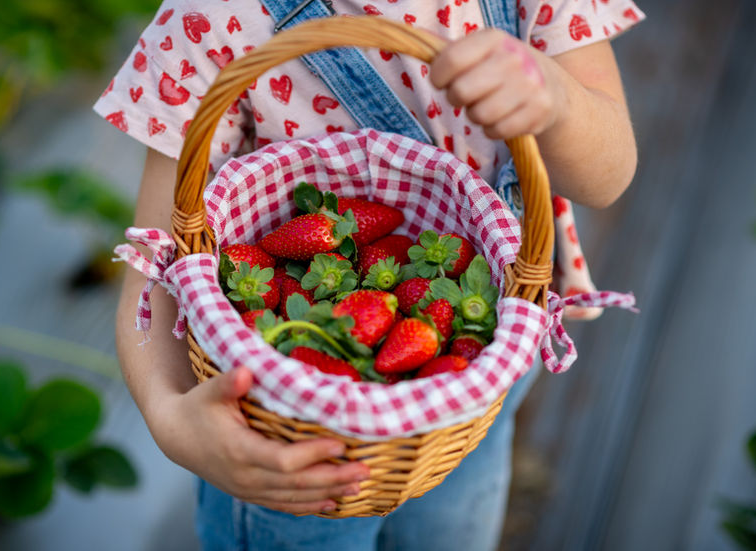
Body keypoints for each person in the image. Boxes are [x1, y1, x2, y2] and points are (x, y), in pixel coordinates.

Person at [95, 0, 643, 549]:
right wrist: (170, 420)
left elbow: (607, 178)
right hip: (292, 442)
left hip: (476, 386)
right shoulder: (211, 20)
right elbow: (155, 266)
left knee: (452, 532)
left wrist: (557, 101)